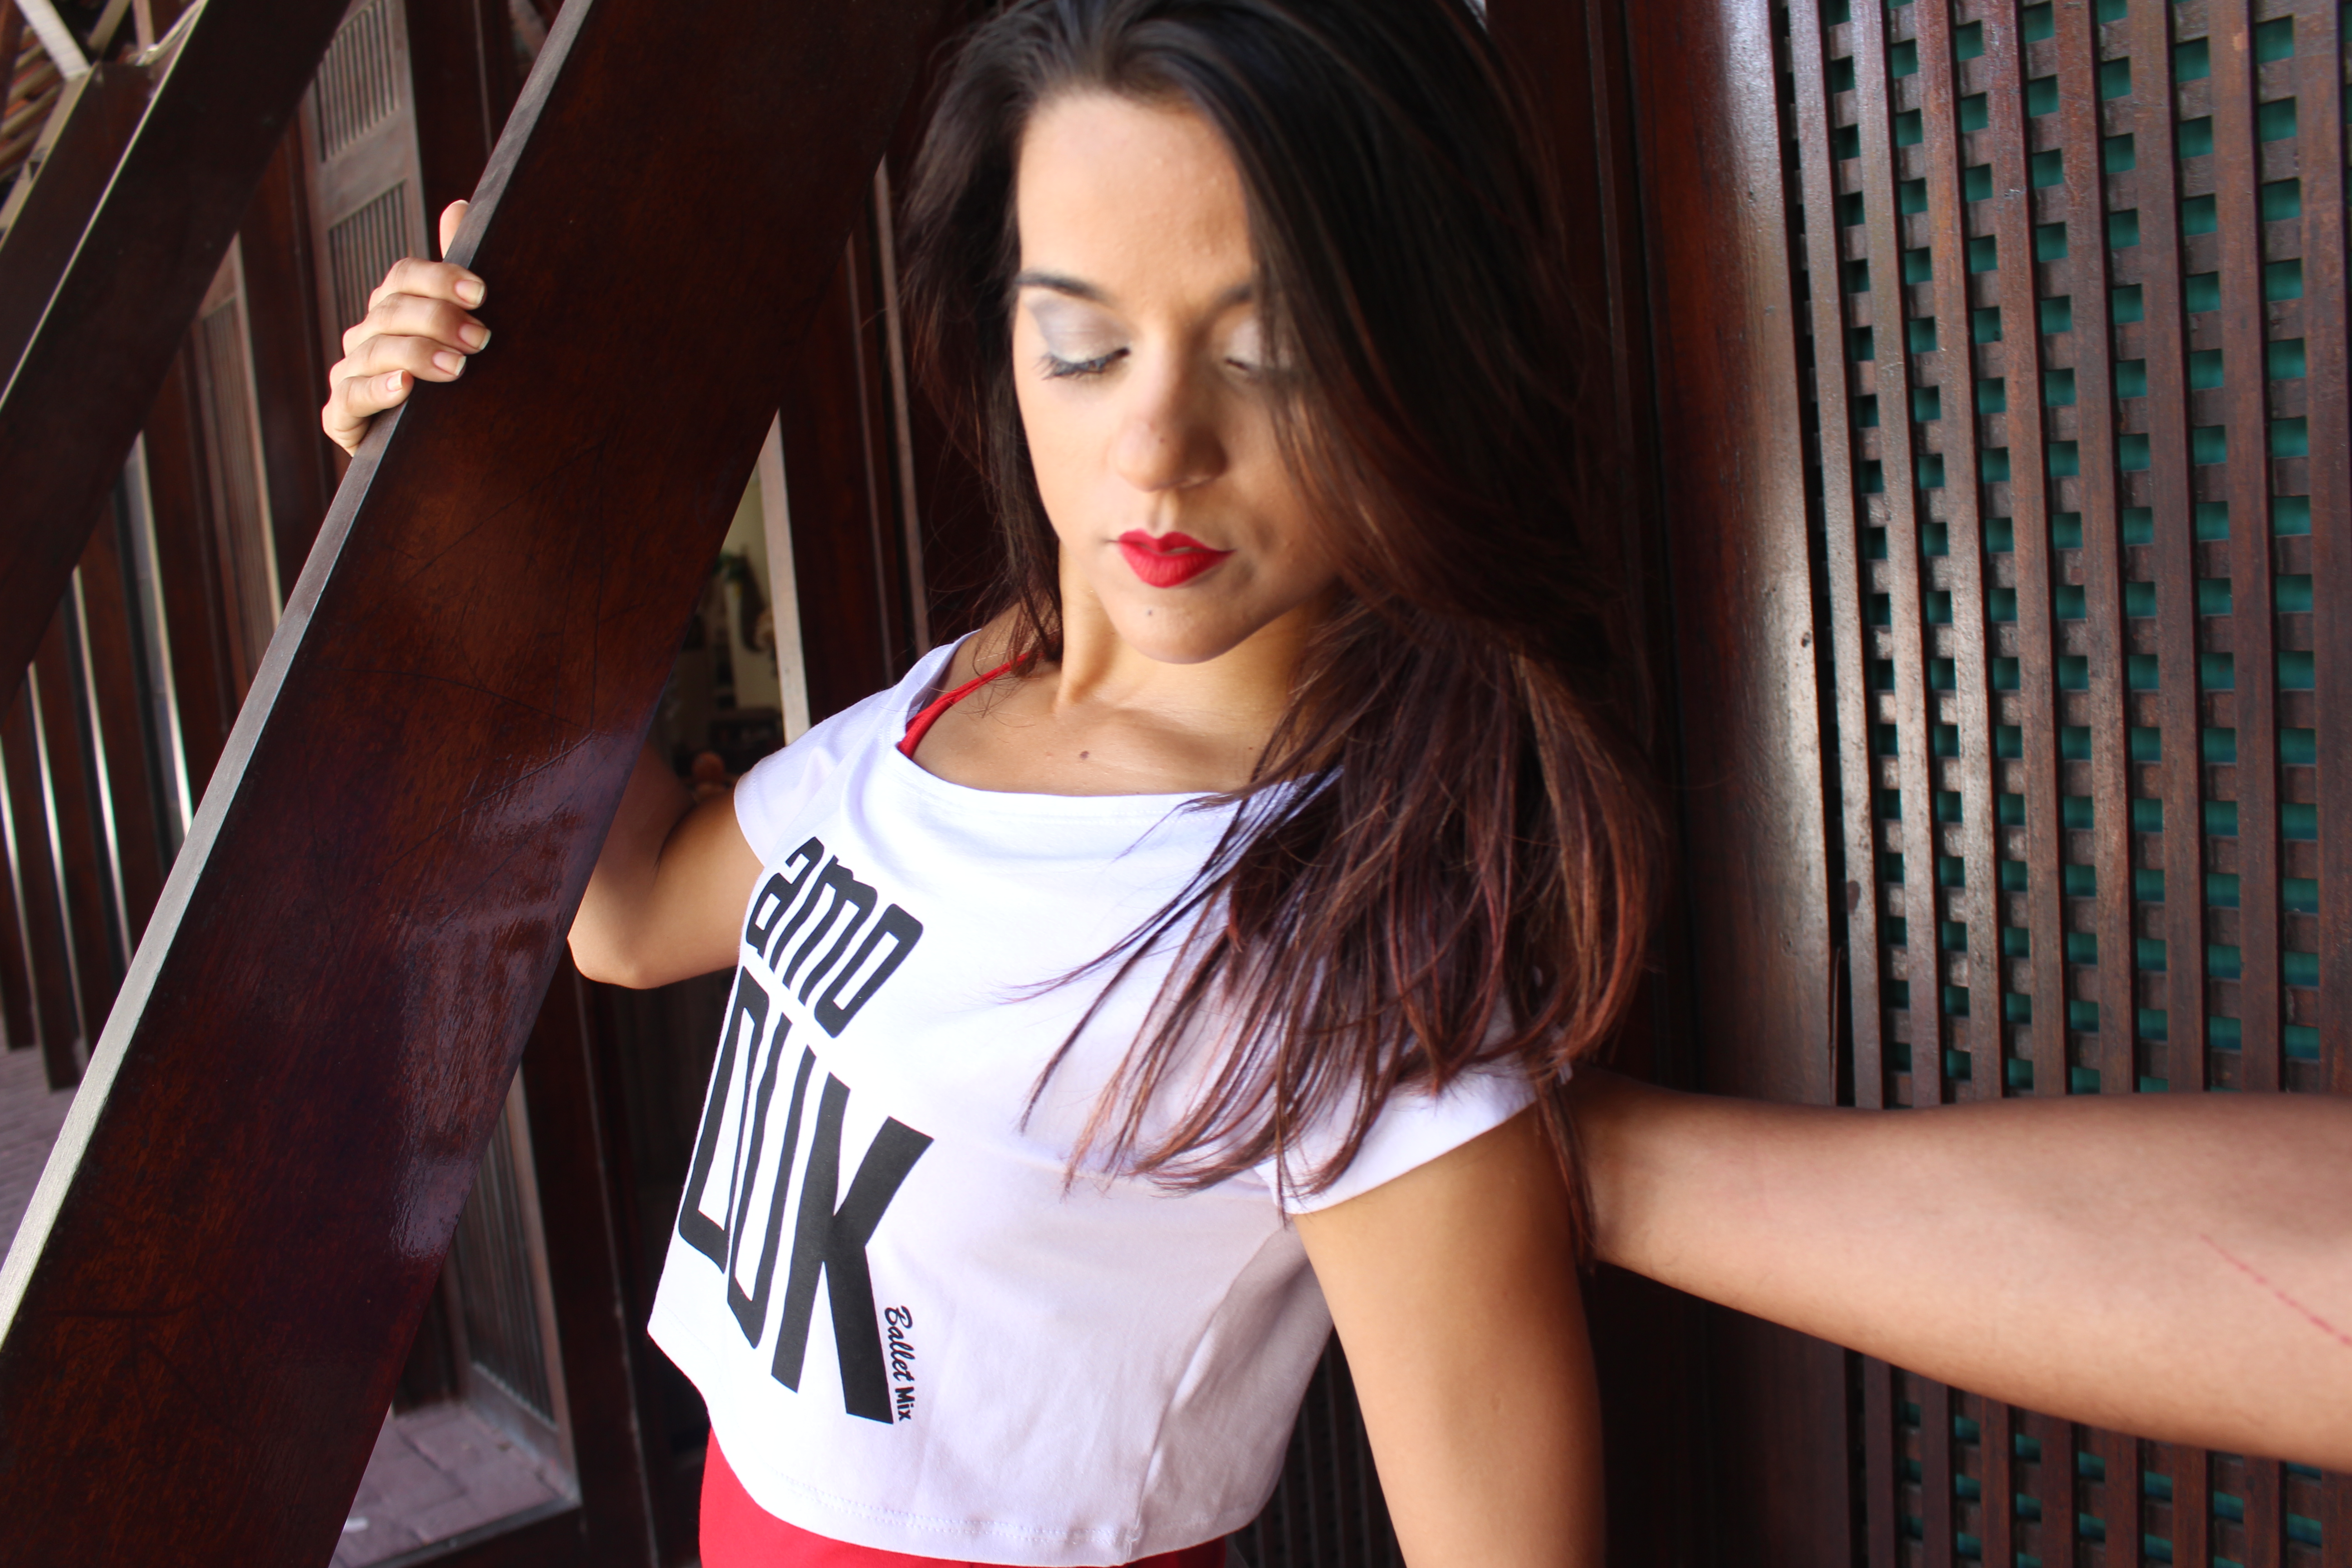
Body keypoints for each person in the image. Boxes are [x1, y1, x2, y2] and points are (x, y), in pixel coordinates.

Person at [321, 1, 2351, 1562]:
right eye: (1083, 345)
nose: (1157, 452)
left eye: (1267, 345)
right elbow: (627, 911)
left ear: (1407, 357)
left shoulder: (1339, 937)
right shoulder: (964, 690)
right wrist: (474, 506)